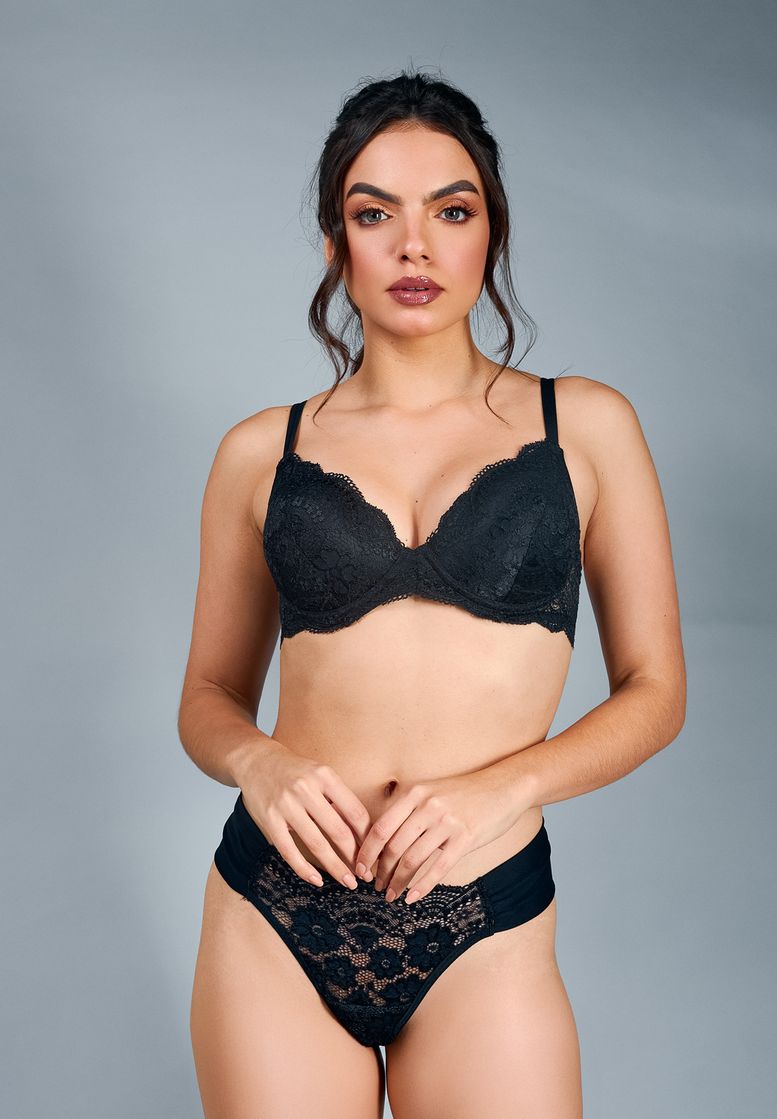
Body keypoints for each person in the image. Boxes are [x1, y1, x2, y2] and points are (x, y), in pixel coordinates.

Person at [178, 68, 686, 1119]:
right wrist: (260, 763)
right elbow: (206, 697)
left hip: (484, 919)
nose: (414, 247)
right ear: (338, 243)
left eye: (450, 212)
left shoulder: (584, 427)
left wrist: (505, 787)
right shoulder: (259, 452)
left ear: (489, 232)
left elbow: (655, 690)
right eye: (375, 215)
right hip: (274, 909)